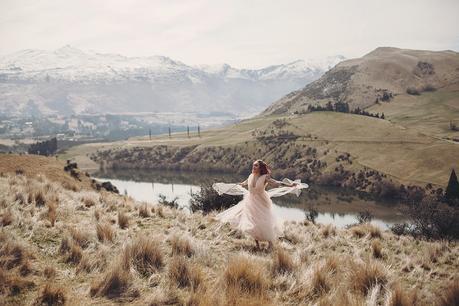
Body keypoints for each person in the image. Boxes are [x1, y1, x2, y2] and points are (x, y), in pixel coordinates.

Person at [213, 159, 308, 249]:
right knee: (252, 221)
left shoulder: (265, 177)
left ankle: (270, 243)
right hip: (250, 200)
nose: (253, 167)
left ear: (260, 168)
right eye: (253, 165)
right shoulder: (250, 176)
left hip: (261, 200)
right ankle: (257, 244)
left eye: (256, 165)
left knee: (263, 220)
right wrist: (238, 185)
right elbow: (244, 183)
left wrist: (289, 185)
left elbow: (276, 183)